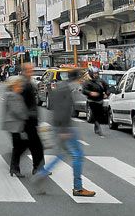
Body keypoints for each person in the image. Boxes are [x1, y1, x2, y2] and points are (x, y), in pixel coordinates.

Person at [33, 68, 95, 197]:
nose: (83, 81)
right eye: (82, 78)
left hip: (59, 126)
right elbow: (63, 110)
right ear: (77, 79)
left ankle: (42, 174)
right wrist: (64, 129)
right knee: (77, 155)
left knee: (62, 154)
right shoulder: (67, 89)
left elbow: (54, 107)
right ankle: (78, 188)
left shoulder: (60, 86)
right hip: (65, 127)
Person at [20, 63, 45, 174]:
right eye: (30, 70)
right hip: (28, 120)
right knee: (35, 145)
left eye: (32, 70)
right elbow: (24, 104)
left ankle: (38, 167)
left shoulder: (27, 83)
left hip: (30, 119)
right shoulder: (25, 84)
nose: (32, 72)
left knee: (33, 145)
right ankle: (38, 167)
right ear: (25, 71)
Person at [2, 76, 28, 177]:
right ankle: (14, 167)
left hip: (13, 124)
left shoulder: (13, 94)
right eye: (19, 84)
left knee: (18, 146)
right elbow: (16, 111)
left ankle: (14, 167)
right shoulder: (13, 95)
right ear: (14, 85)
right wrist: (25, 116)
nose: (21, 86)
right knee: (21, 145)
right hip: (15, 124)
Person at [82, 67, 109, 136]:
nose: (95, 75)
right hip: (92, 100)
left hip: (100, 100)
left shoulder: (101, 81)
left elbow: (107, 87)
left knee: (100, 114)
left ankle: (96, 125)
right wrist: (90, 93)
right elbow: (84, 90)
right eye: (94, 73)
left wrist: (106, 93)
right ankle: (98, 128)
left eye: (97, 73)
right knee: (95, 113)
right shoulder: (87, 81)